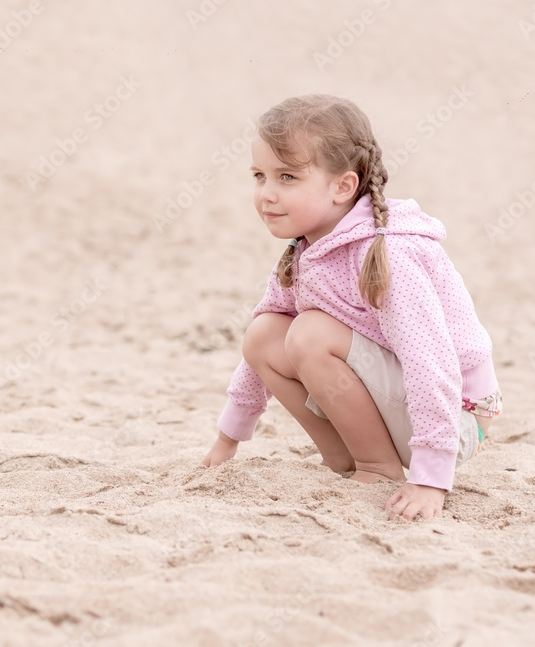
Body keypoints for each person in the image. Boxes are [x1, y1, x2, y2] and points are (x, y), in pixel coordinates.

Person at [200, 95, 502, 521]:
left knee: (310, 333)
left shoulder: (387, 253)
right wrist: (228, 438)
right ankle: (346, 457)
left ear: (342, 186)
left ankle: (377, 467)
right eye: (259, 176)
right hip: (401, 406)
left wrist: (432, 476)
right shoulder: (304, 250)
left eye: (287, 177)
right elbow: (258, 355)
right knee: (265, 333)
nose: (266, 194)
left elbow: (429, 361)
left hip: (457, 422)